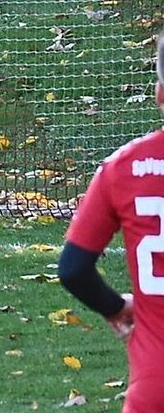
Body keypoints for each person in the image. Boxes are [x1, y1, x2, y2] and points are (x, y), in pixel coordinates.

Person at [58, 31, 164, 413]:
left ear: (160, 94)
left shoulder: (125, 167)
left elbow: (73, 269)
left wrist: (116, 308)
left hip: (156, 387)